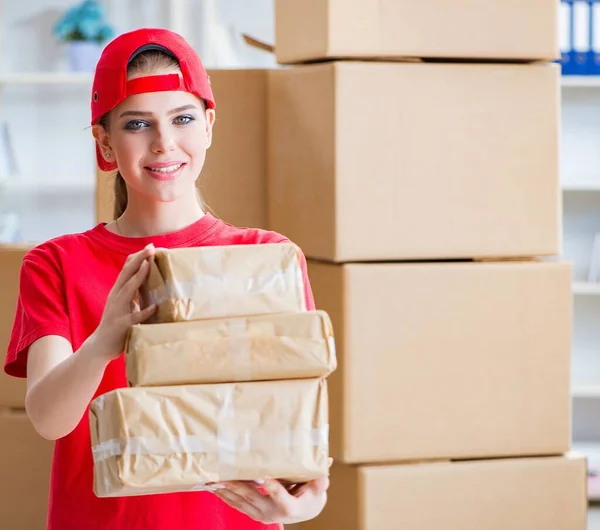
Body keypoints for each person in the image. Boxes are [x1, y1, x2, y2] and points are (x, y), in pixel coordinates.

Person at [3, 28, 329, 530]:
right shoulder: (57, 264)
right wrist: (107, 337)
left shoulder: (268, 259)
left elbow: (297, 428)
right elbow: (49, 419)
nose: (164, 143)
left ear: (208, 127)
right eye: (137, 124)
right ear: (105, 142)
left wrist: (305, 504)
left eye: (182, 118)